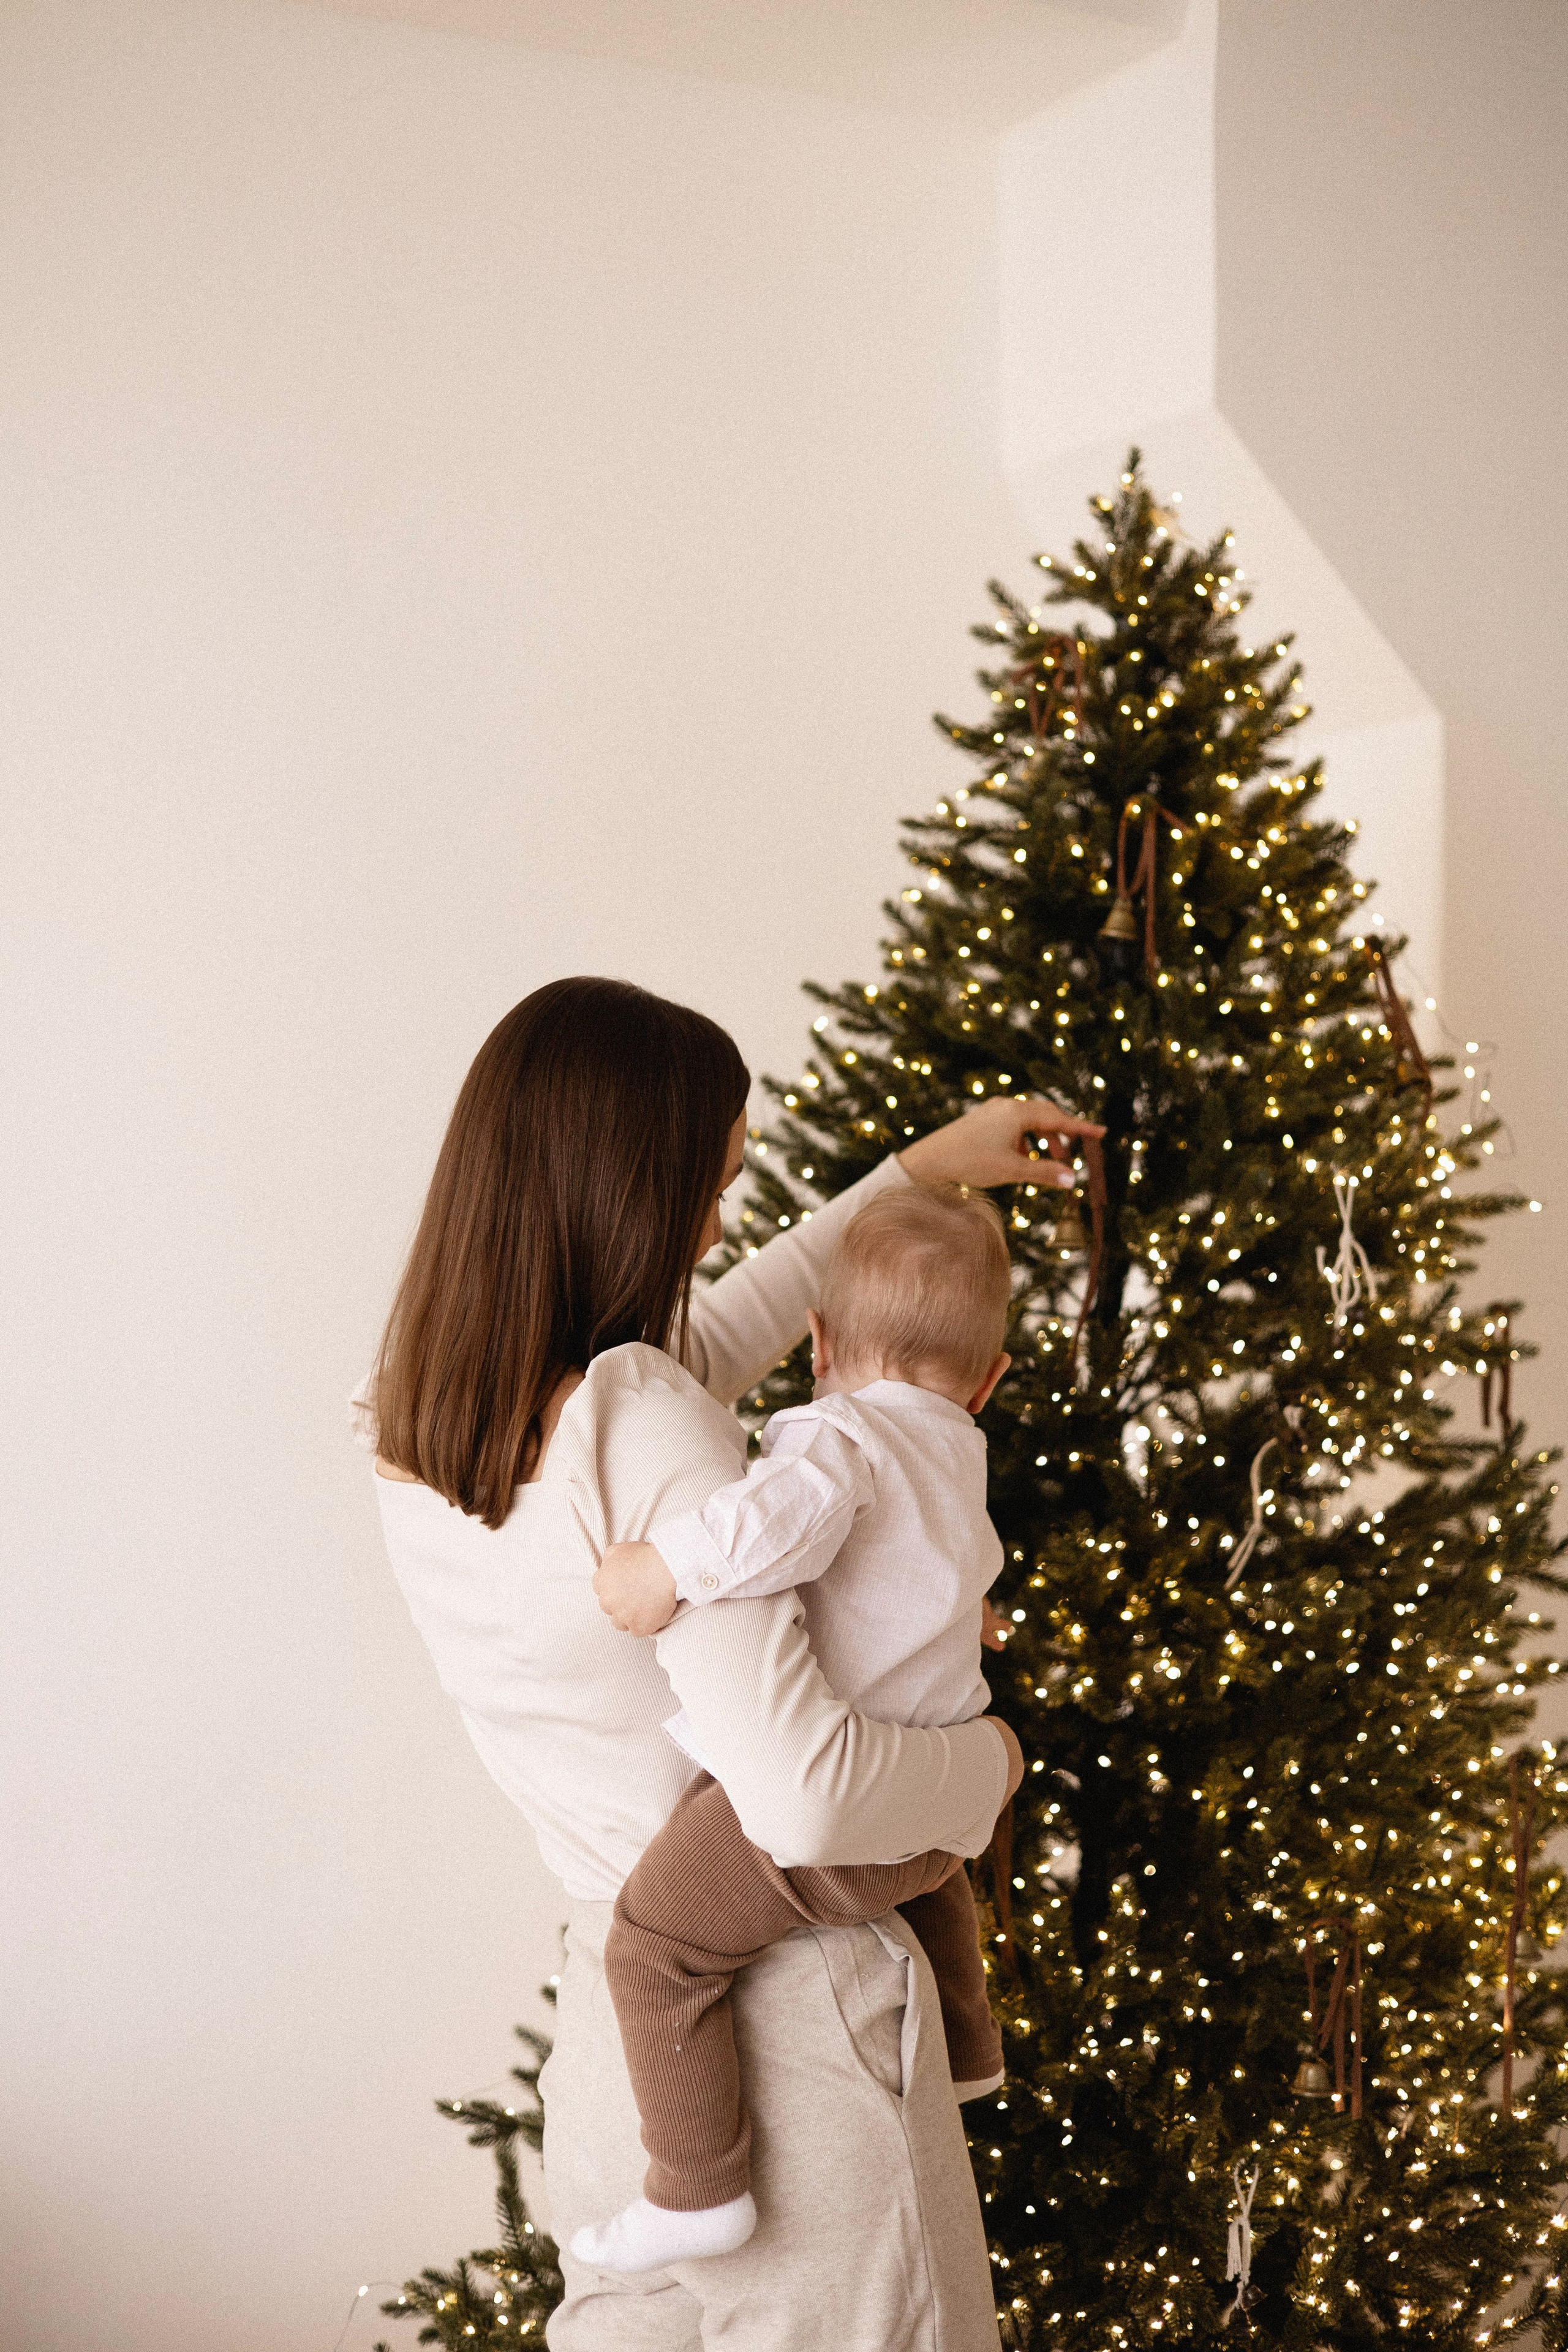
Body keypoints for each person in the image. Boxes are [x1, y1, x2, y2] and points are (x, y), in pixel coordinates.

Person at [355, 974, 1102, 2351]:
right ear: (628, 1191)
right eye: (707, 1187)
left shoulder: (421, 1428)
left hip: (618, 2041)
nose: (713, 1227)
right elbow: (808, 1800)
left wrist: (923, 1169)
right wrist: (988, 1765)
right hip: (792, 2046)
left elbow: (746, 1320)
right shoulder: (641, 1420)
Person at [573, 1182, 1017, 2276]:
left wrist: (664, 1568)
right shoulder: (963, 1452)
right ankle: (969, 2050)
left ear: (817, 1342)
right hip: (934, 1820)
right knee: (936, 1873)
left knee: (655, 1943)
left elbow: (773, 1524)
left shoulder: (841, 1437)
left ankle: (695, 2188)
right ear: (992, 1380)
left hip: (842, 1819)